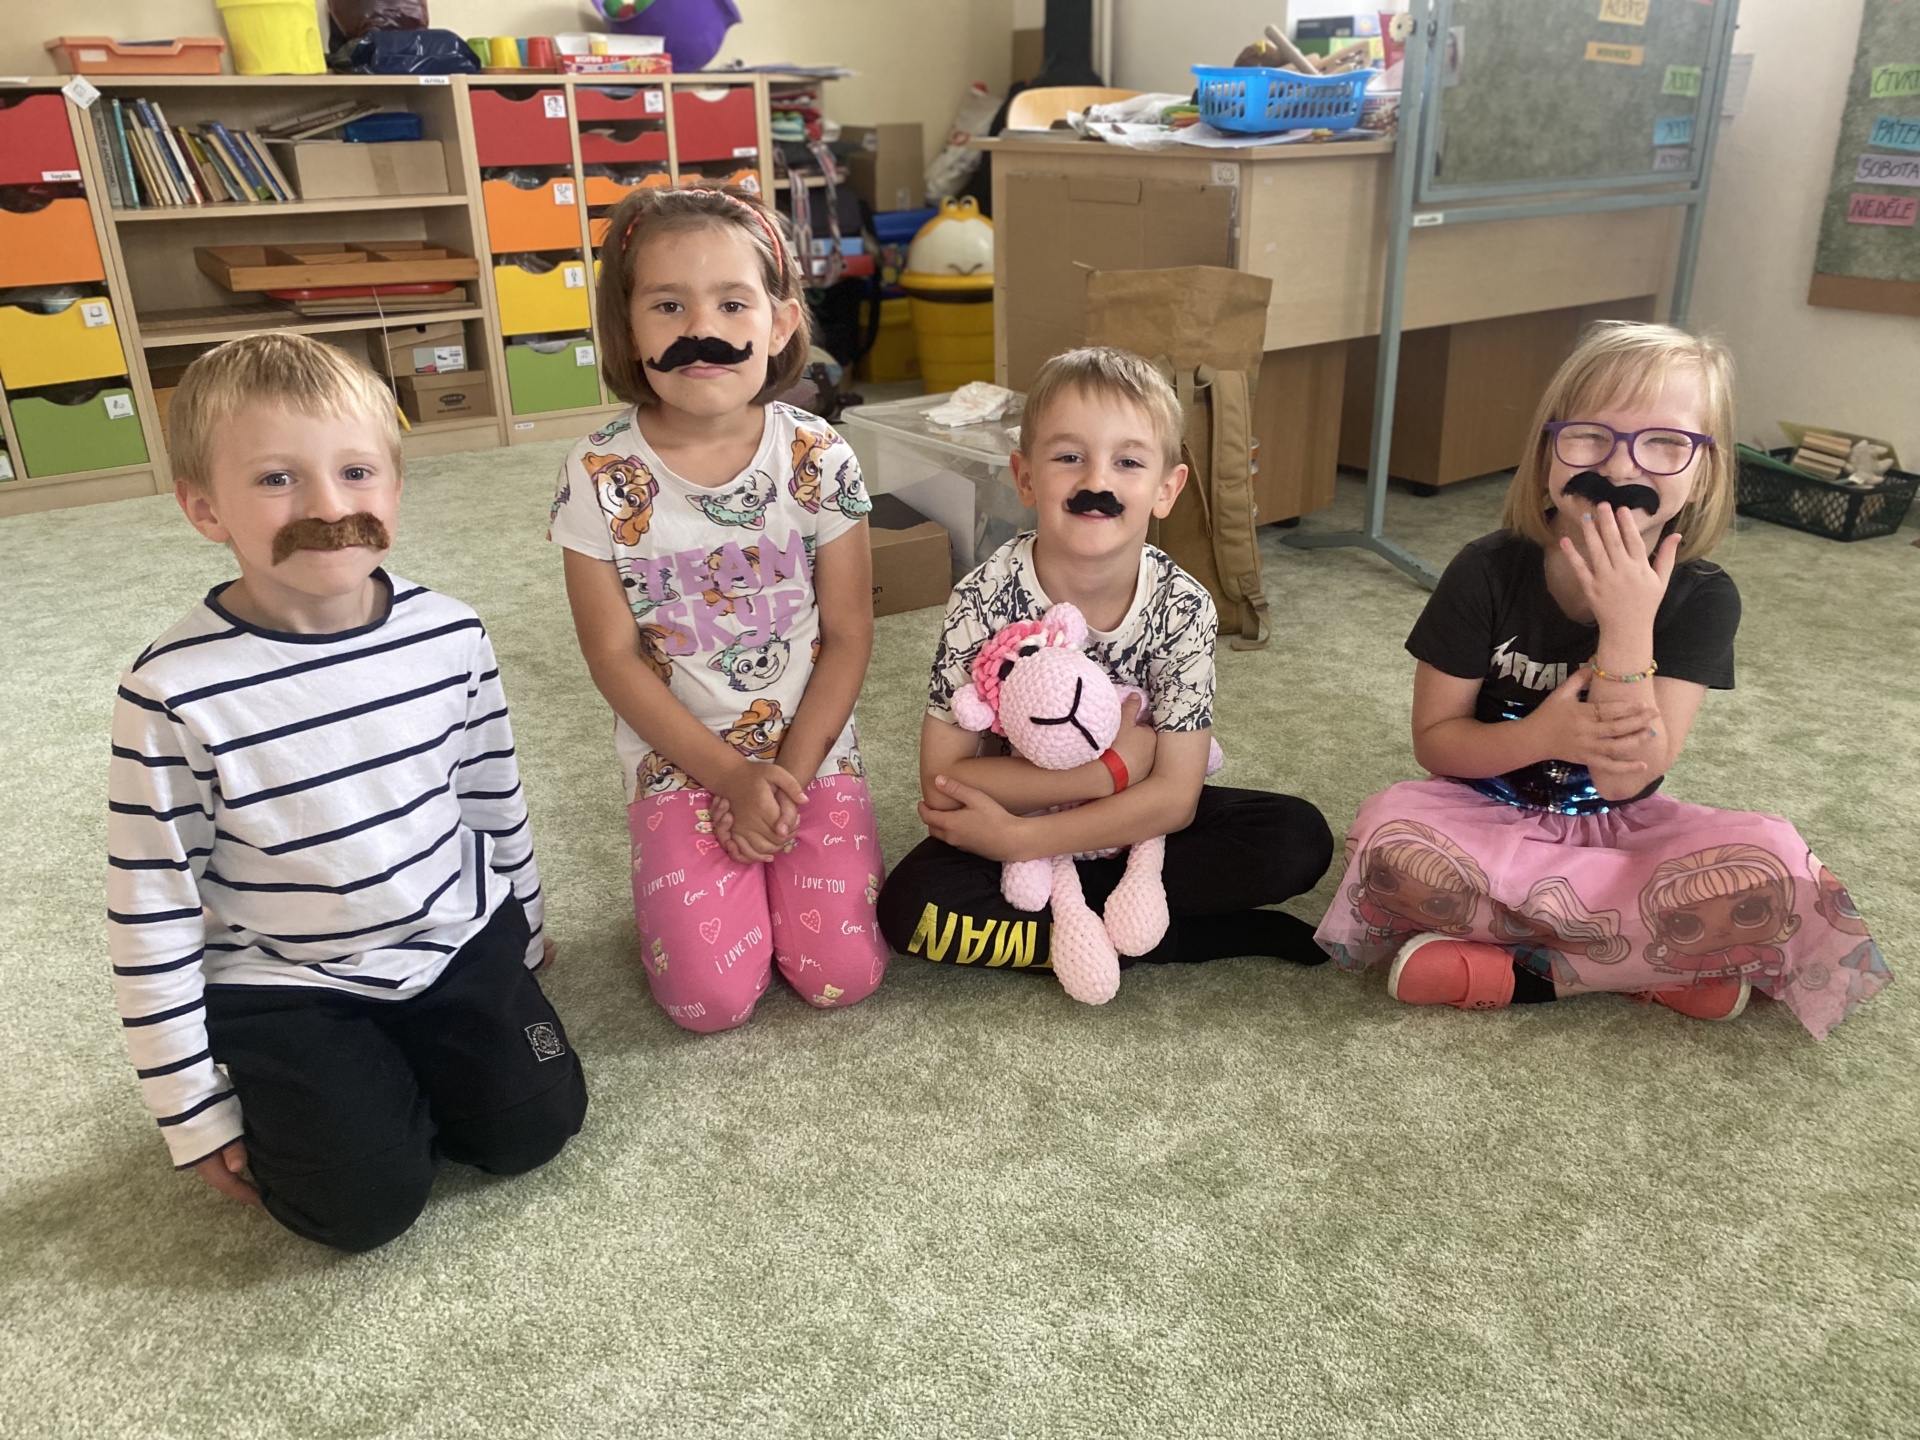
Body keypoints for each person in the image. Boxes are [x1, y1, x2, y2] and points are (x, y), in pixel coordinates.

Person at [107, 333, 586, 1252]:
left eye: (357, 471)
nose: (330, 508)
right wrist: (189, 1107)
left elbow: (490, 794)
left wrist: (523, 931)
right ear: (204, 508)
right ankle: (339, 1090)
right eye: (277, 479)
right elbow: (150, 907)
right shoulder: (170, 692)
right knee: (358, 1207)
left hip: (449, 939)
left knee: (536, 1126)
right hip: (284, 977)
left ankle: (400, 1073)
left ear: (396, 486)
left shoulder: (451, 635)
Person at [1314, 321, 1889, 1038]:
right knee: (1386, 835)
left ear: (1704, 473)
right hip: (1481, 810)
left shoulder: (1704, 596)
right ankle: (1647, 966)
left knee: (1776, 866)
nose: (1620, 468)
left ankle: (1521, 973)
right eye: (1589, 436)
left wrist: (1627, 625)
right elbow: (1437, 744)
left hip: (1621, 828)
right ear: (1546, 455)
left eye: (1665, 442)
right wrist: (1542, 735)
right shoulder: (1485, 570)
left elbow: (1625, 780)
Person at [876, 346, 1334, 980]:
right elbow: (943, 784)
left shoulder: (1184, 607)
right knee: (910, 911)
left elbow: (1175, 798)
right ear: (1025, 477)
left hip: (1120, 829)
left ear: (1166, 489)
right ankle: (1164, 936)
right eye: (1069, 457)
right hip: (1026, 820)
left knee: (1297, 839)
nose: (1098, 482)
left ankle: (1094, 926)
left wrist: (1025, 842)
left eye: (1128, 461)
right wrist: (1110, 771)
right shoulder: (983, 597)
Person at [552, 185, 888, 1033]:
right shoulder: (597, 473)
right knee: (708, 1001)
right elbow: (611, 656)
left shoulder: (819, 454)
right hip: (680, 759)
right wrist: (732, 778)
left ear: (779, 325)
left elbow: (850, 632)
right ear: (628, 326)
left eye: (732, 303)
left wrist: (786, 777)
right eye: (669, 305)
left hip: (810, 751)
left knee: (842, 975)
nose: (701, 329)